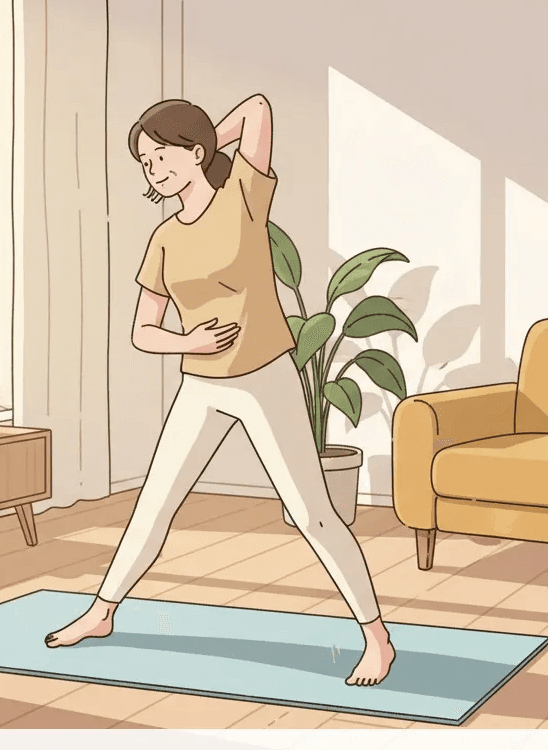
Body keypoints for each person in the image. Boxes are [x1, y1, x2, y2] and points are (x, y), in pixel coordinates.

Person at [45, 94, 395, 686]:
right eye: (144, 162)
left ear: (197, 151)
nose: (151, 170)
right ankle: (102, 612)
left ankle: (377, 638)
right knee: (153, 504)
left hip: (263, 376)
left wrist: (210, 143)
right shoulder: (163, 239)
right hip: (202, 384)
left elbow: (260, 109)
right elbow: (142, 332)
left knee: (312, 514)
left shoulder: (243, 196)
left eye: (160, 156)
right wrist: (192, 343)